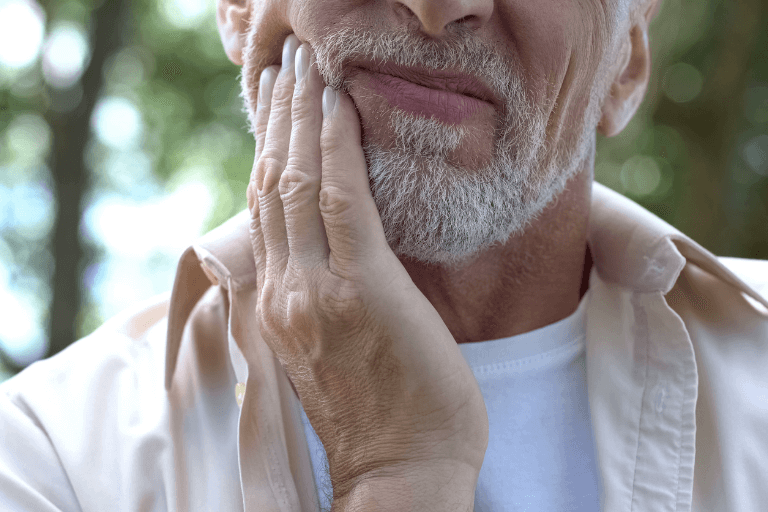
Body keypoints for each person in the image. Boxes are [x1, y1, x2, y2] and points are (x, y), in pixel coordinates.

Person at [1, 0, 767, 510]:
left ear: (627, 63)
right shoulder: (52, 459)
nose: (437, 4)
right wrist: (398, 475)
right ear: (239, 7)